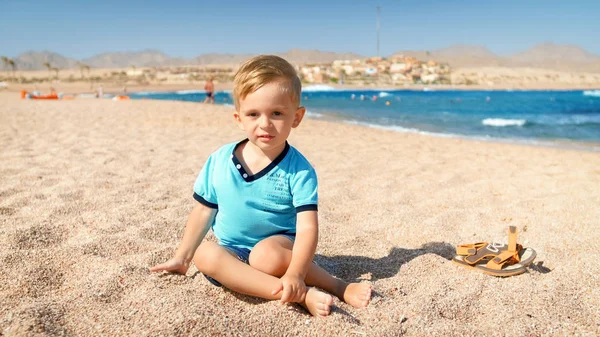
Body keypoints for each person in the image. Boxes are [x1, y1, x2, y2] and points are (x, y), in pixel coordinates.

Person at [150, 55, 372, 317]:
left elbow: (308, 227)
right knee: (205, 254)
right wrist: (182, 257)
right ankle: (298, 294)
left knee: (264, 255)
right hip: (232, 250)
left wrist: (296, 273)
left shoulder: (299, 170)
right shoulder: (220, 160)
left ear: (297, 117)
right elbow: (203, 212)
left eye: (277, 113)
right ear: (238, 118)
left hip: (279, 248)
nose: (265, 124)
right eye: (253, 114)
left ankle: (336, 285)